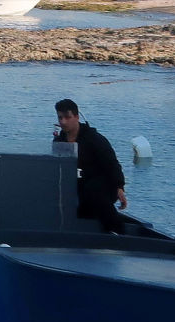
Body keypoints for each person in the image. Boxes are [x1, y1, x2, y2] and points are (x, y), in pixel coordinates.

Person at [54, 98, 127, 232]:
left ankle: (117, 231)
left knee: (93, 189)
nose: (63, 121)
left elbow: (112, 164)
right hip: (75, 188)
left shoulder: (95, 139)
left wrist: (119, 187)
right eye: (60, 118)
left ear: (76, 117)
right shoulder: (59, 141)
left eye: (67, 117)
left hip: (101, 188)